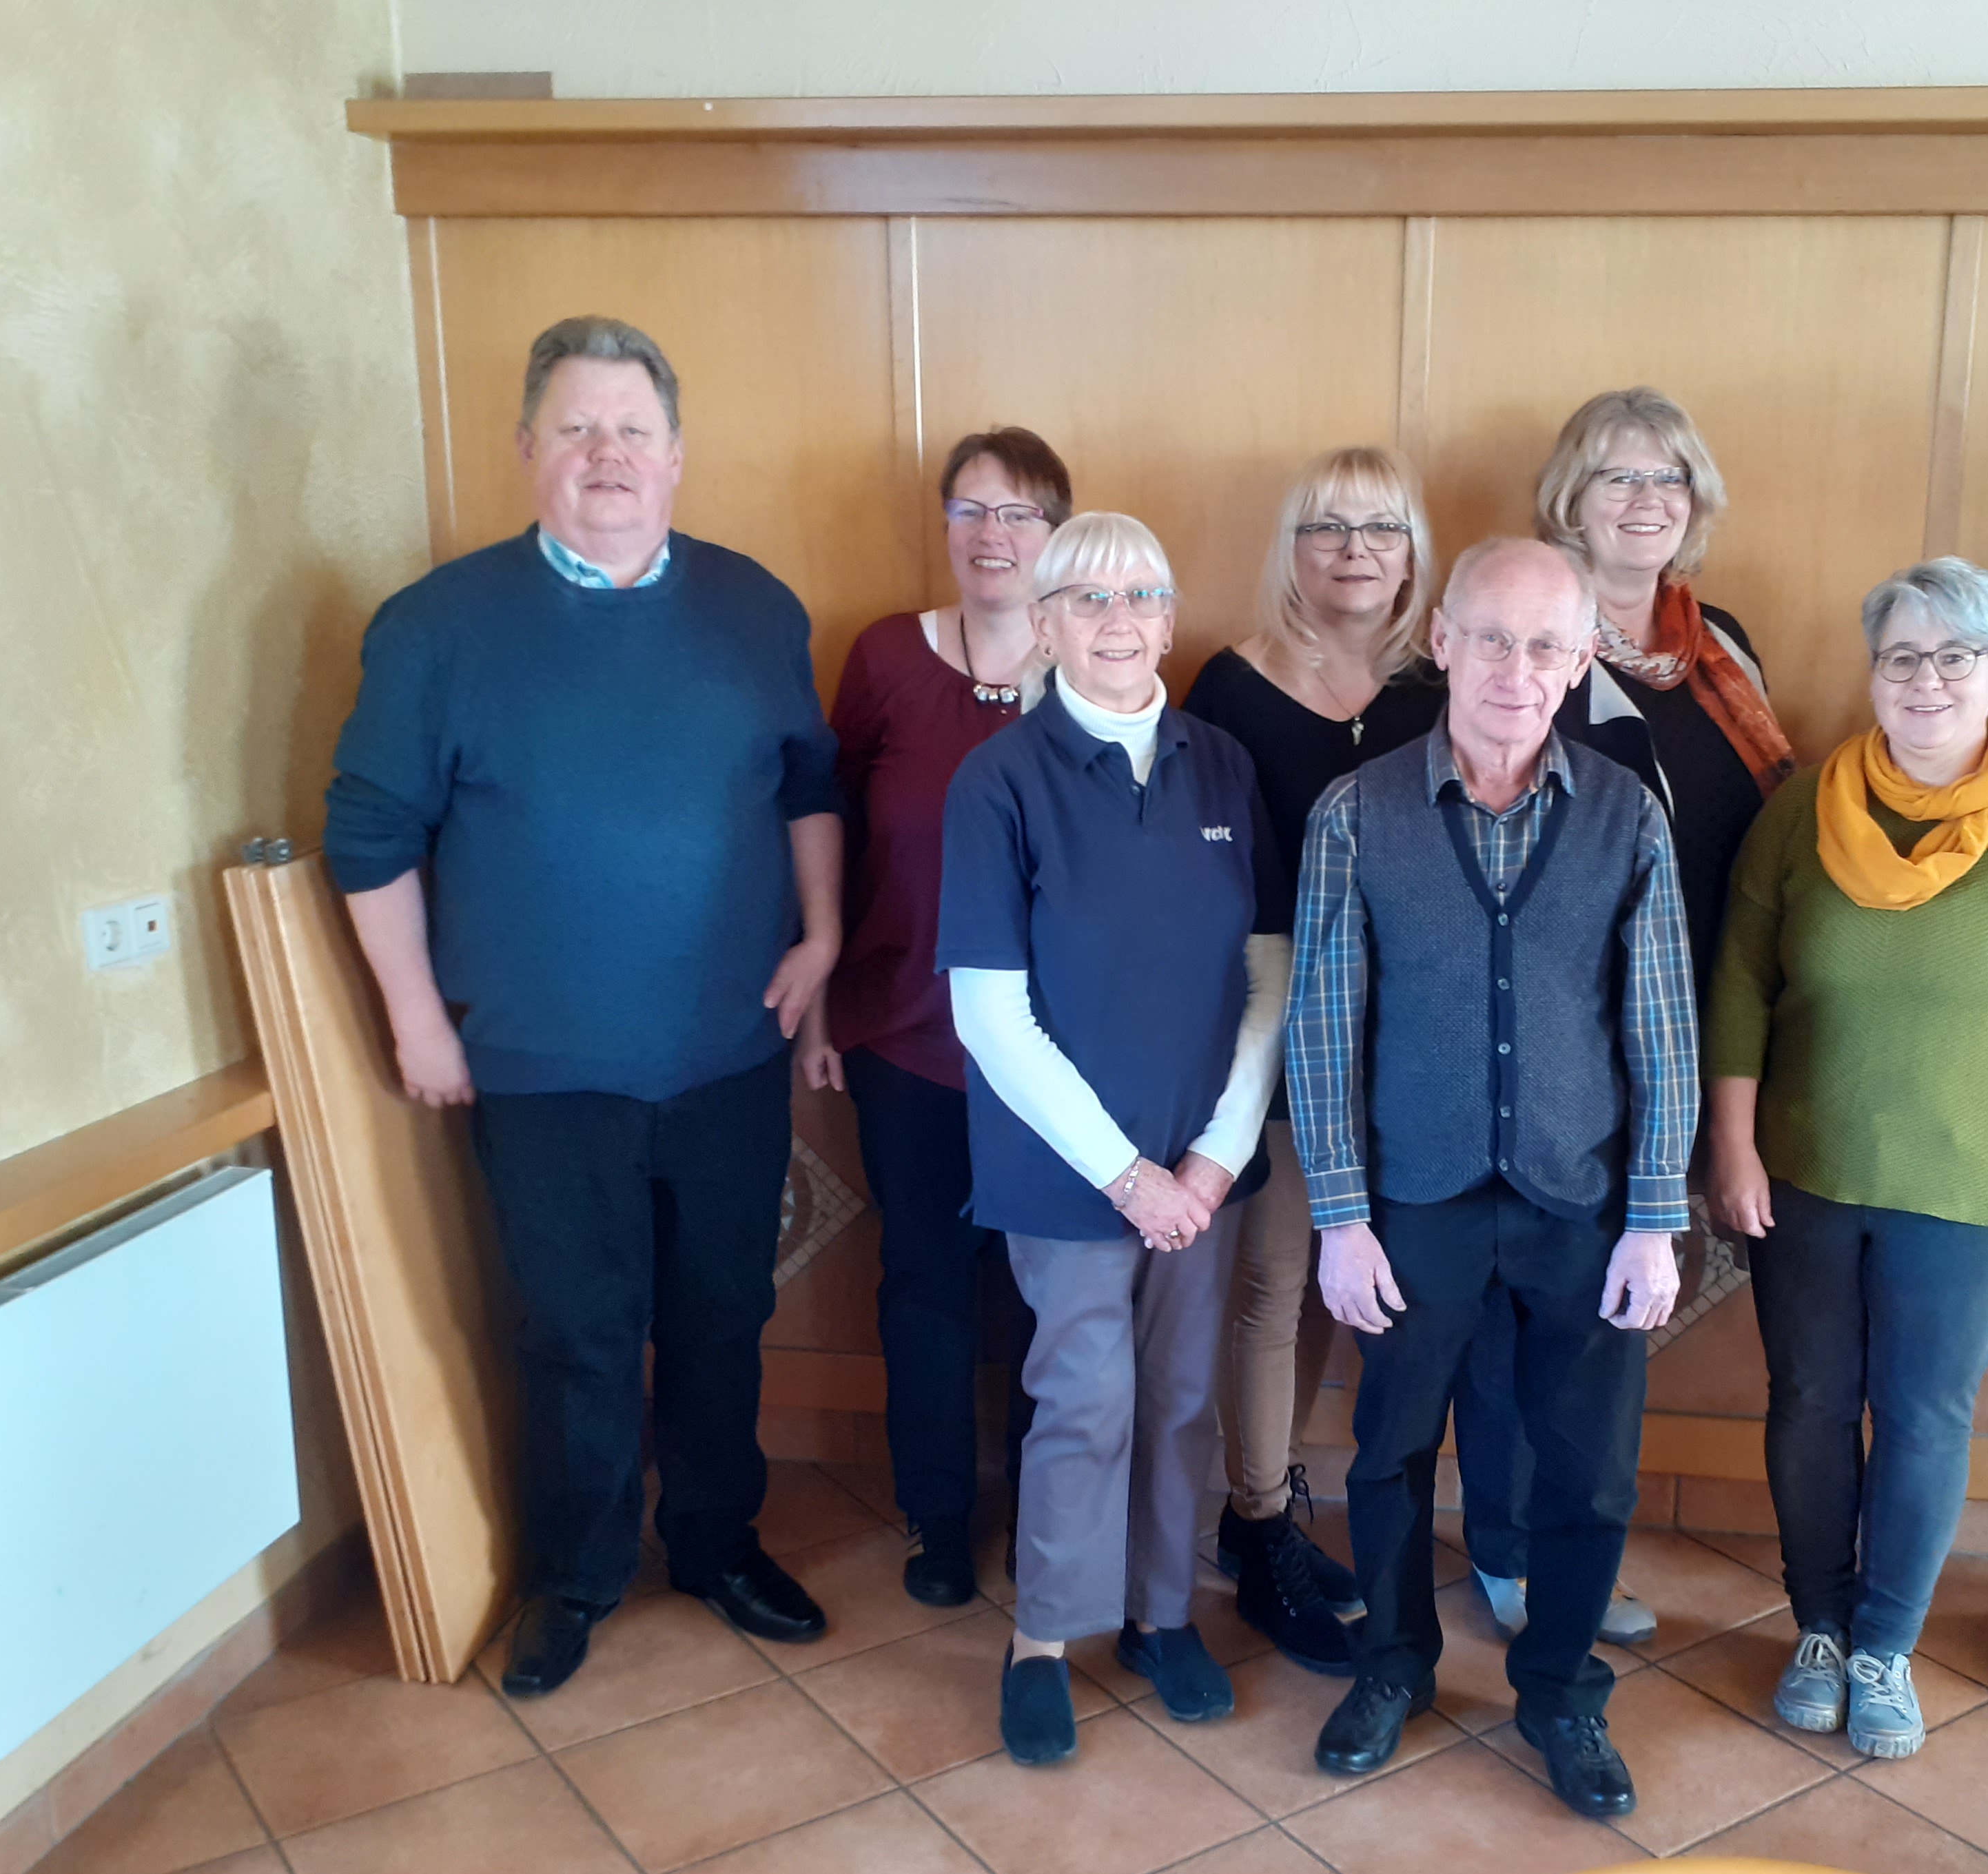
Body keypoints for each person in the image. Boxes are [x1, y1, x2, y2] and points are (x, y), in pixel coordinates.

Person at [325, 316, 845, 1698]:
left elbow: (809, 785)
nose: (606, 455)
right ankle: (576, 1573)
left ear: (677, 456)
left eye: (631, 430)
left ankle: (718, 1541)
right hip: (541, 1070)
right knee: (574, 1330)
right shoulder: (437, 629)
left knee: (726, 1308)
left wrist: (826, 937)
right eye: (576, 428)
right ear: (527, 451)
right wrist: (416, 1020)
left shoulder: (756, 608)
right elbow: (368, 836)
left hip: (728, 1051)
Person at [1289, 537, 1693, 1822]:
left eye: (1547, 647)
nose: (1516, 671)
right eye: (1493, 638)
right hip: (1417, 1201)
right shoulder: (1356, 812)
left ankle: (1562, 1692)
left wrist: (1655, 1216)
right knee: (1391, 1453)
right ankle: (1395, 1666)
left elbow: (1664, 1029)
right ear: (1443, 642)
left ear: (1581, 665)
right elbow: (1321, 1023)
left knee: (1590, 1472)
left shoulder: (1628, 815)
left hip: (1583, 1205)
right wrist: (1341, 1216)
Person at [1708, 558, 1988, 1761]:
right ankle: (1821, 1631)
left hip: (1972, 1186)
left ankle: (1888, 1645)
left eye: (1957, 658)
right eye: (1902, 657)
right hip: (1803, 1171)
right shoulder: (1803, 810)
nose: (1928, 681)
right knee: (1808, 1404)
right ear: (1873, 673)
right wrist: (1732, 1144)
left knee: (1927, 1416)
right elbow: (1739, 981)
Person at [938, 512, 1292, 1767]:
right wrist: (1128, 1175)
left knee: (1185, 1396)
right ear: (1043, 624)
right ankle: (1045, 1638)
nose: (1117, 620)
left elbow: (1269, 974)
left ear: (1170, 614)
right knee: (1084, 1399)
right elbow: (988, 1009)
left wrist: (1207, 1159)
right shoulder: (1000, 782)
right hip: (1069, 1175)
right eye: (1085, 600)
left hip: (1206, 1171)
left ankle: (1160, 1617)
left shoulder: (1220, 764)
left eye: (1141, 595)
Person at [1453, 387, 1799, 1651]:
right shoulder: (1524, 636)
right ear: (1569, 499)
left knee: (1613, 1301)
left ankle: (1573, 1548)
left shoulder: (1727, 652)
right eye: (1616, 477)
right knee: (1510, 1301)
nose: (1645, 499)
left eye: (1668, 477)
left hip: (1696, 1020)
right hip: (1543, 1031)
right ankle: (1505, 1550)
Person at [1180, 446, 1446, 1672]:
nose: (1355, 549)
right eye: (1328, 527)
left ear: (1413, 551)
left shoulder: (1436, 685)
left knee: (1348, 1273)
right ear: (1291, 547)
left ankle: (1273, 1488)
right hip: (1278, 1023)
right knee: (1277, 1277)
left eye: (1381, 528)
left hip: (1408, 1031)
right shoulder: (1227, 688)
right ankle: (1259, 1525)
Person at [803, 428, 1070, 1608]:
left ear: (1056, 535)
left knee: (1039, 1293)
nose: (993, 535)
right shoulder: (884, 659)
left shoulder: (1096, 663)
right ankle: (937, 1520)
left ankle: (1036, 1505)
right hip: (905, 1034)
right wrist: (819, 997)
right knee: (920, 1282)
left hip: (1059, 1058)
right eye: (970, 511)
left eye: (1018, 513)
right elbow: (832, 826)